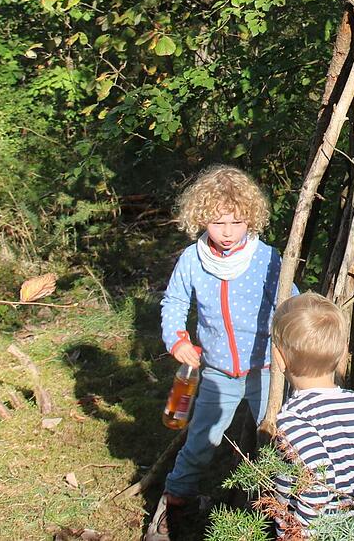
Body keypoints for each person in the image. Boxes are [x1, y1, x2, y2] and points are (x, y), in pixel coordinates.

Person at [146, 165, 295, 541]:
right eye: (217, 222)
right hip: (216, 372)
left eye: (236, 222)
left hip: (265, 368)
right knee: (200, 442)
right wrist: (177, 340)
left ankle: (288, 515)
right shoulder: (193, 260)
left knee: (280, 441)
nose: (227, 232)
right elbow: (175, 302)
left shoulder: (266, 258)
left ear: (251, 218)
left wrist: (298, 346)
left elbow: (290, 303)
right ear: (201, 219)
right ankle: (174, 503)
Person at [267, 292, 354, 536]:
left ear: (279, 358)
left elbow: (317, 480)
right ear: (341, 353)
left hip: (314, 531)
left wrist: (300, 534)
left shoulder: (293, 418)